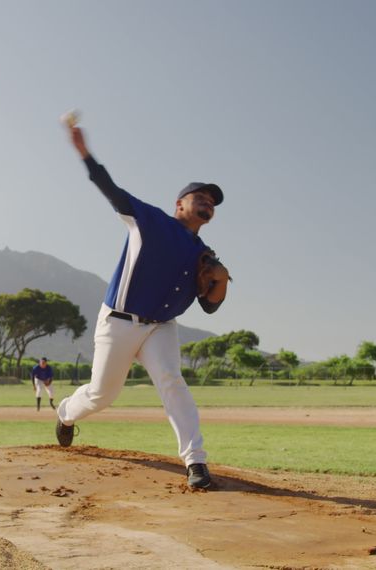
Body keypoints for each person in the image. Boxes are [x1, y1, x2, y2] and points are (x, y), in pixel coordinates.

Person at [55, 123, 230, 489]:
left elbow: (210, 308)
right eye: (200, 196)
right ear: (179, 204)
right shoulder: (148, 220)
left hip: (160, 326)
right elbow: (111, 190)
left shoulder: (204, 255)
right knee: (103, 394)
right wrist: (85, 153)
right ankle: (67, 413)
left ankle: (195, 462)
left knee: (172, 381)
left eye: (212, 202)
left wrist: (221, 280)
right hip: (119, 321)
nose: (207, 203)